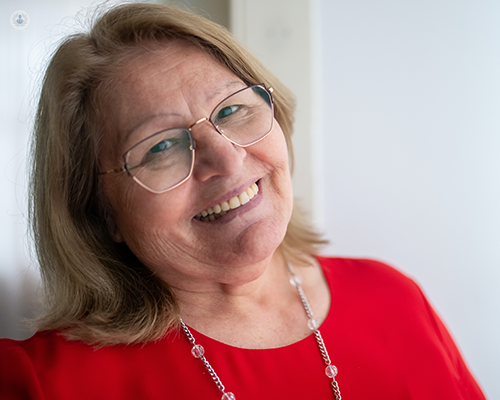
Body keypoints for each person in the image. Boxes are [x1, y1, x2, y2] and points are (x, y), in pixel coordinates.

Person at [0, 3, 486, 400]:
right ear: (101, 211)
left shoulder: (394, 298)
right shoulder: (42, 382)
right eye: (161, 146)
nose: (226, 160)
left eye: (232, 110)